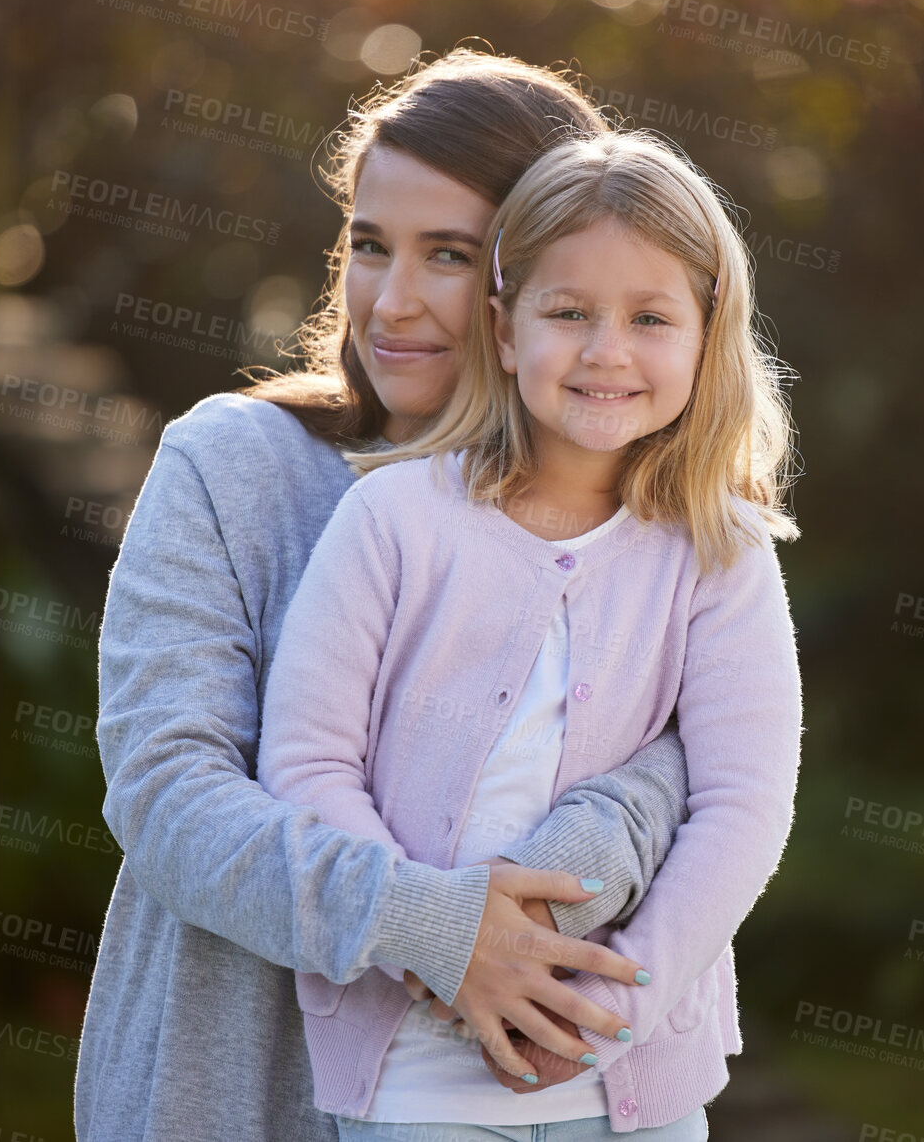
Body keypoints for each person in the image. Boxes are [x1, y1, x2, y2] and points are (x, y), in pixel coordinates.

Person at [74, 51, 698, 1142]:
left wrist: (545, 897)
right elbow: (167, 789)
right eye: (369, 245)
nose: (391, 301)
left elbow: (683, 759)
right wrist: (439, 925)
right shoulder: (238, 466)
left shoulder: (639, 510)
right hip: (241, 1097)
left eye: (447, 255)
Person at [258, 131, 804, 1141]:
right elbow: (306, 757)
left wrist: (611, 1011)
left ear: (706, 333)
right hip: (411, 1076)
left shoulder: (721, 554)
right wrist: (434, 938)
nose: (607, 350)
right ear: (506, 332)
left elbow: (743, 801)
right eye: (569, 313)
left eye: (650, 316)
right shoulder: (393, 521)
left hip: (631, 1082)